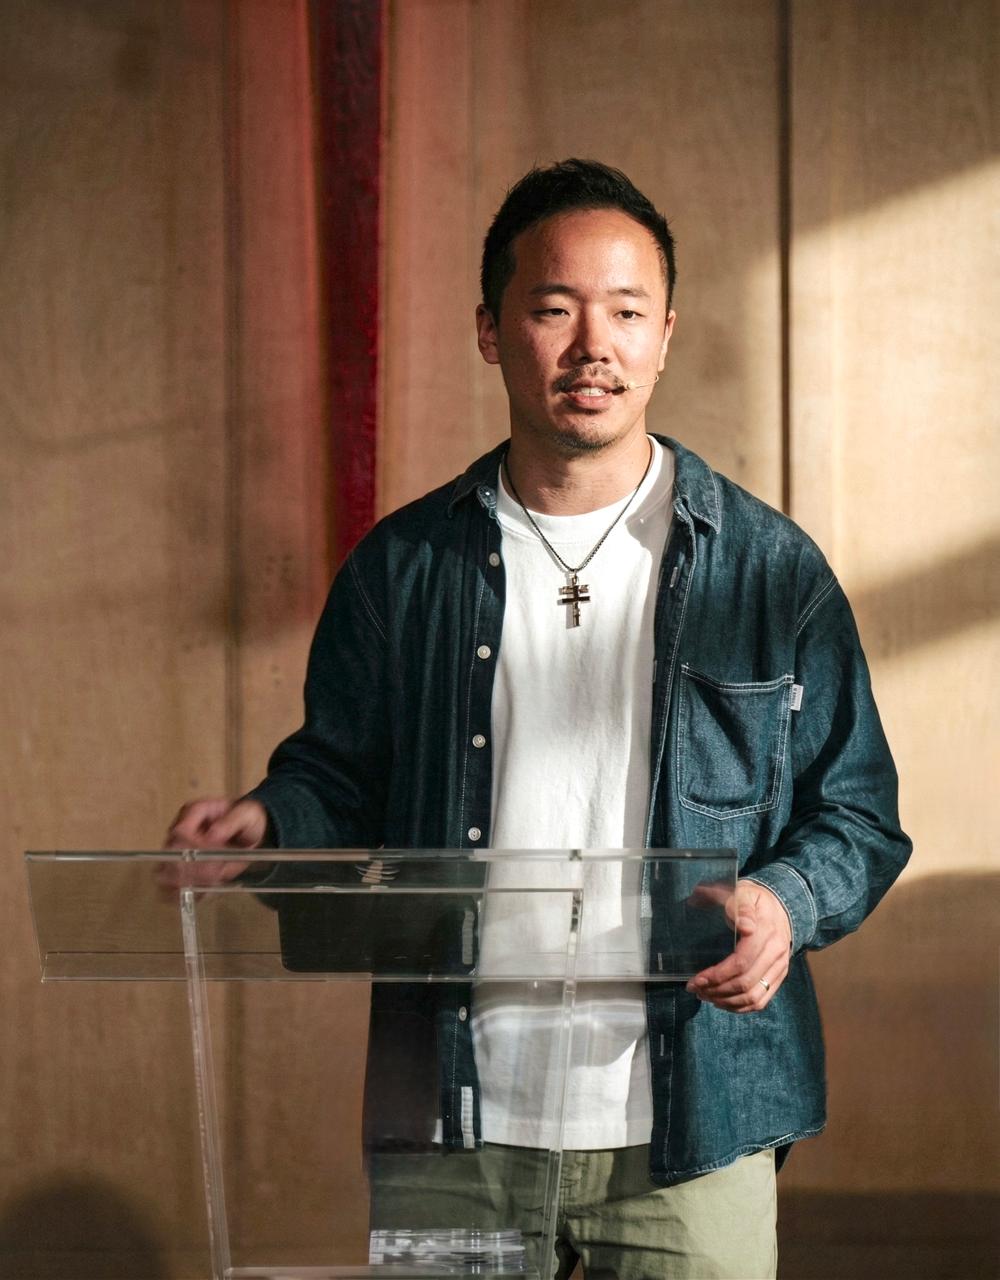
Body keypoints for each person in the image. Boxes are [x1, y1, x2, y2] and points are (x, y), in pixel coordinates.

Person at [163, 159, 911, 1278]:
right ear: (490, 330)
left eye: (626, 312)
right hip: (451, 1123)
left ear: (666, 335)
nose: (591, 346)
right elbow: (338, 776)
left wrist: (781, 905)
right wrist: (266, 824)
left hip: (696, 1122)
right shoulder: (405, 567)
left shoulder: (767, 571)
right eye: (554, 309)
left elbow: (856, 815)